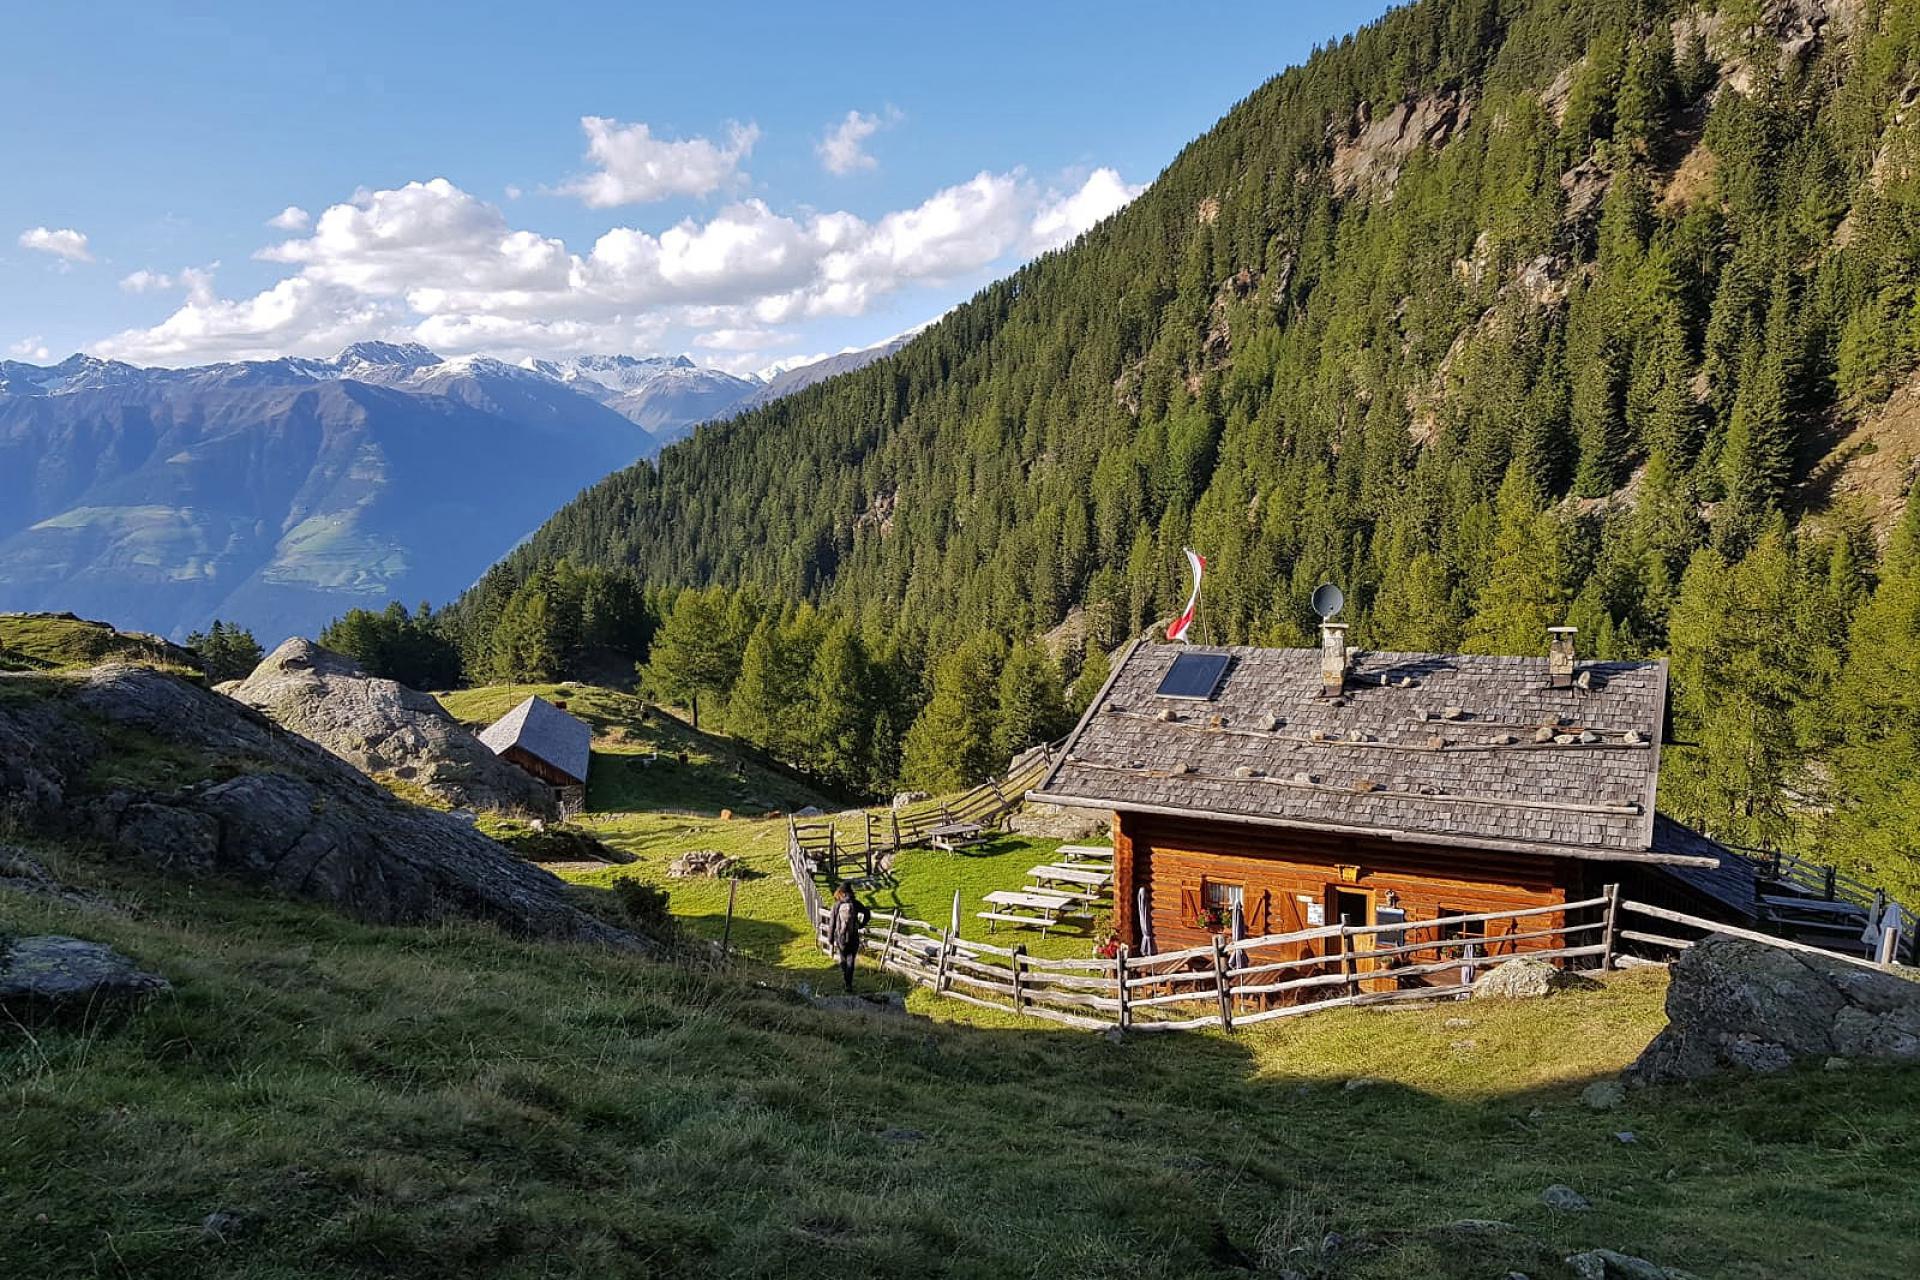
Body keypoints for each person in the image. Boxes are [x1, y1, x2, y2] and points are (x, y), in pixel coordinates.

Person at [825, 882, 871, 993]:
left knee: (843, 959)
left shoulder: (837, 905)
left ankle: (846, 978)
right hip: (853, 936)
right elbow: (867, 913)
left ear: (840, 893)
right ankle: (849, 984)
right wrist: (861, 925)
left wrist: (830, 938)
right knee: (851, 959)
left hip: (840, 937)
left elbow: (832, 924)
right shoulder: (855, 903)